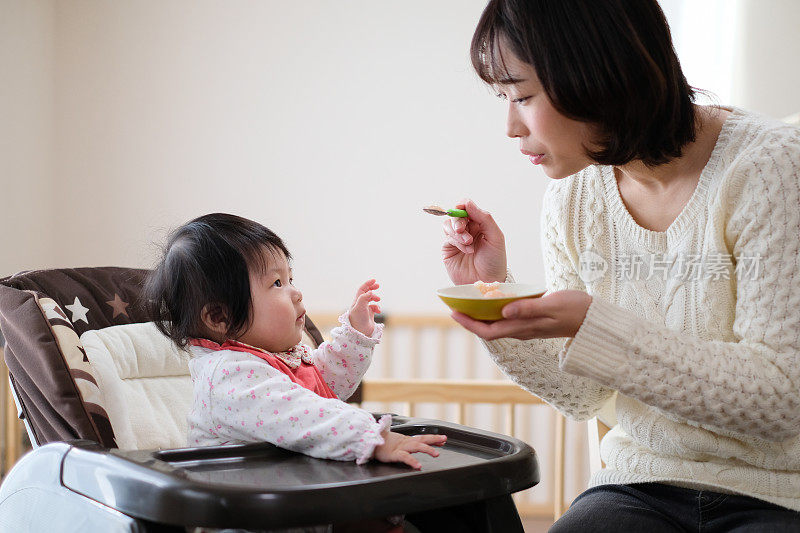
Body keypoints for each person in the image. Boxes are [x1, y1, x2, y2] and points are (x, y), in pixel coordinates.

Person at [440, 1, 800, 531]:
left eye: (521, 95)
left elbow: (779, 398)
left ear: (593, 74)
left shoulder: (771, 168)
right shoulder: (572, 200)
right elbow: (585, 396)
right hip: (640, 488)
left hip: (778, 495)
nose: (510, 127)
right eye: (503, 98)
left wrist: (595, 325)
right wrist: (496, 302)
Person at [145, 213, 447, 531]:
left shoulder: (275, 359)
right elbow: (307, 414)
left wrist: (354, 336)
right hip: (252, 521)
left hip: (302, 505)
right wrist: (372, 438)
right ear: (219, 316)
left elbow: (323, 384)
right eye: (277, 283)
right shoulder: (229, 376)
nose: (296, 292)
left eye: (290, 278)